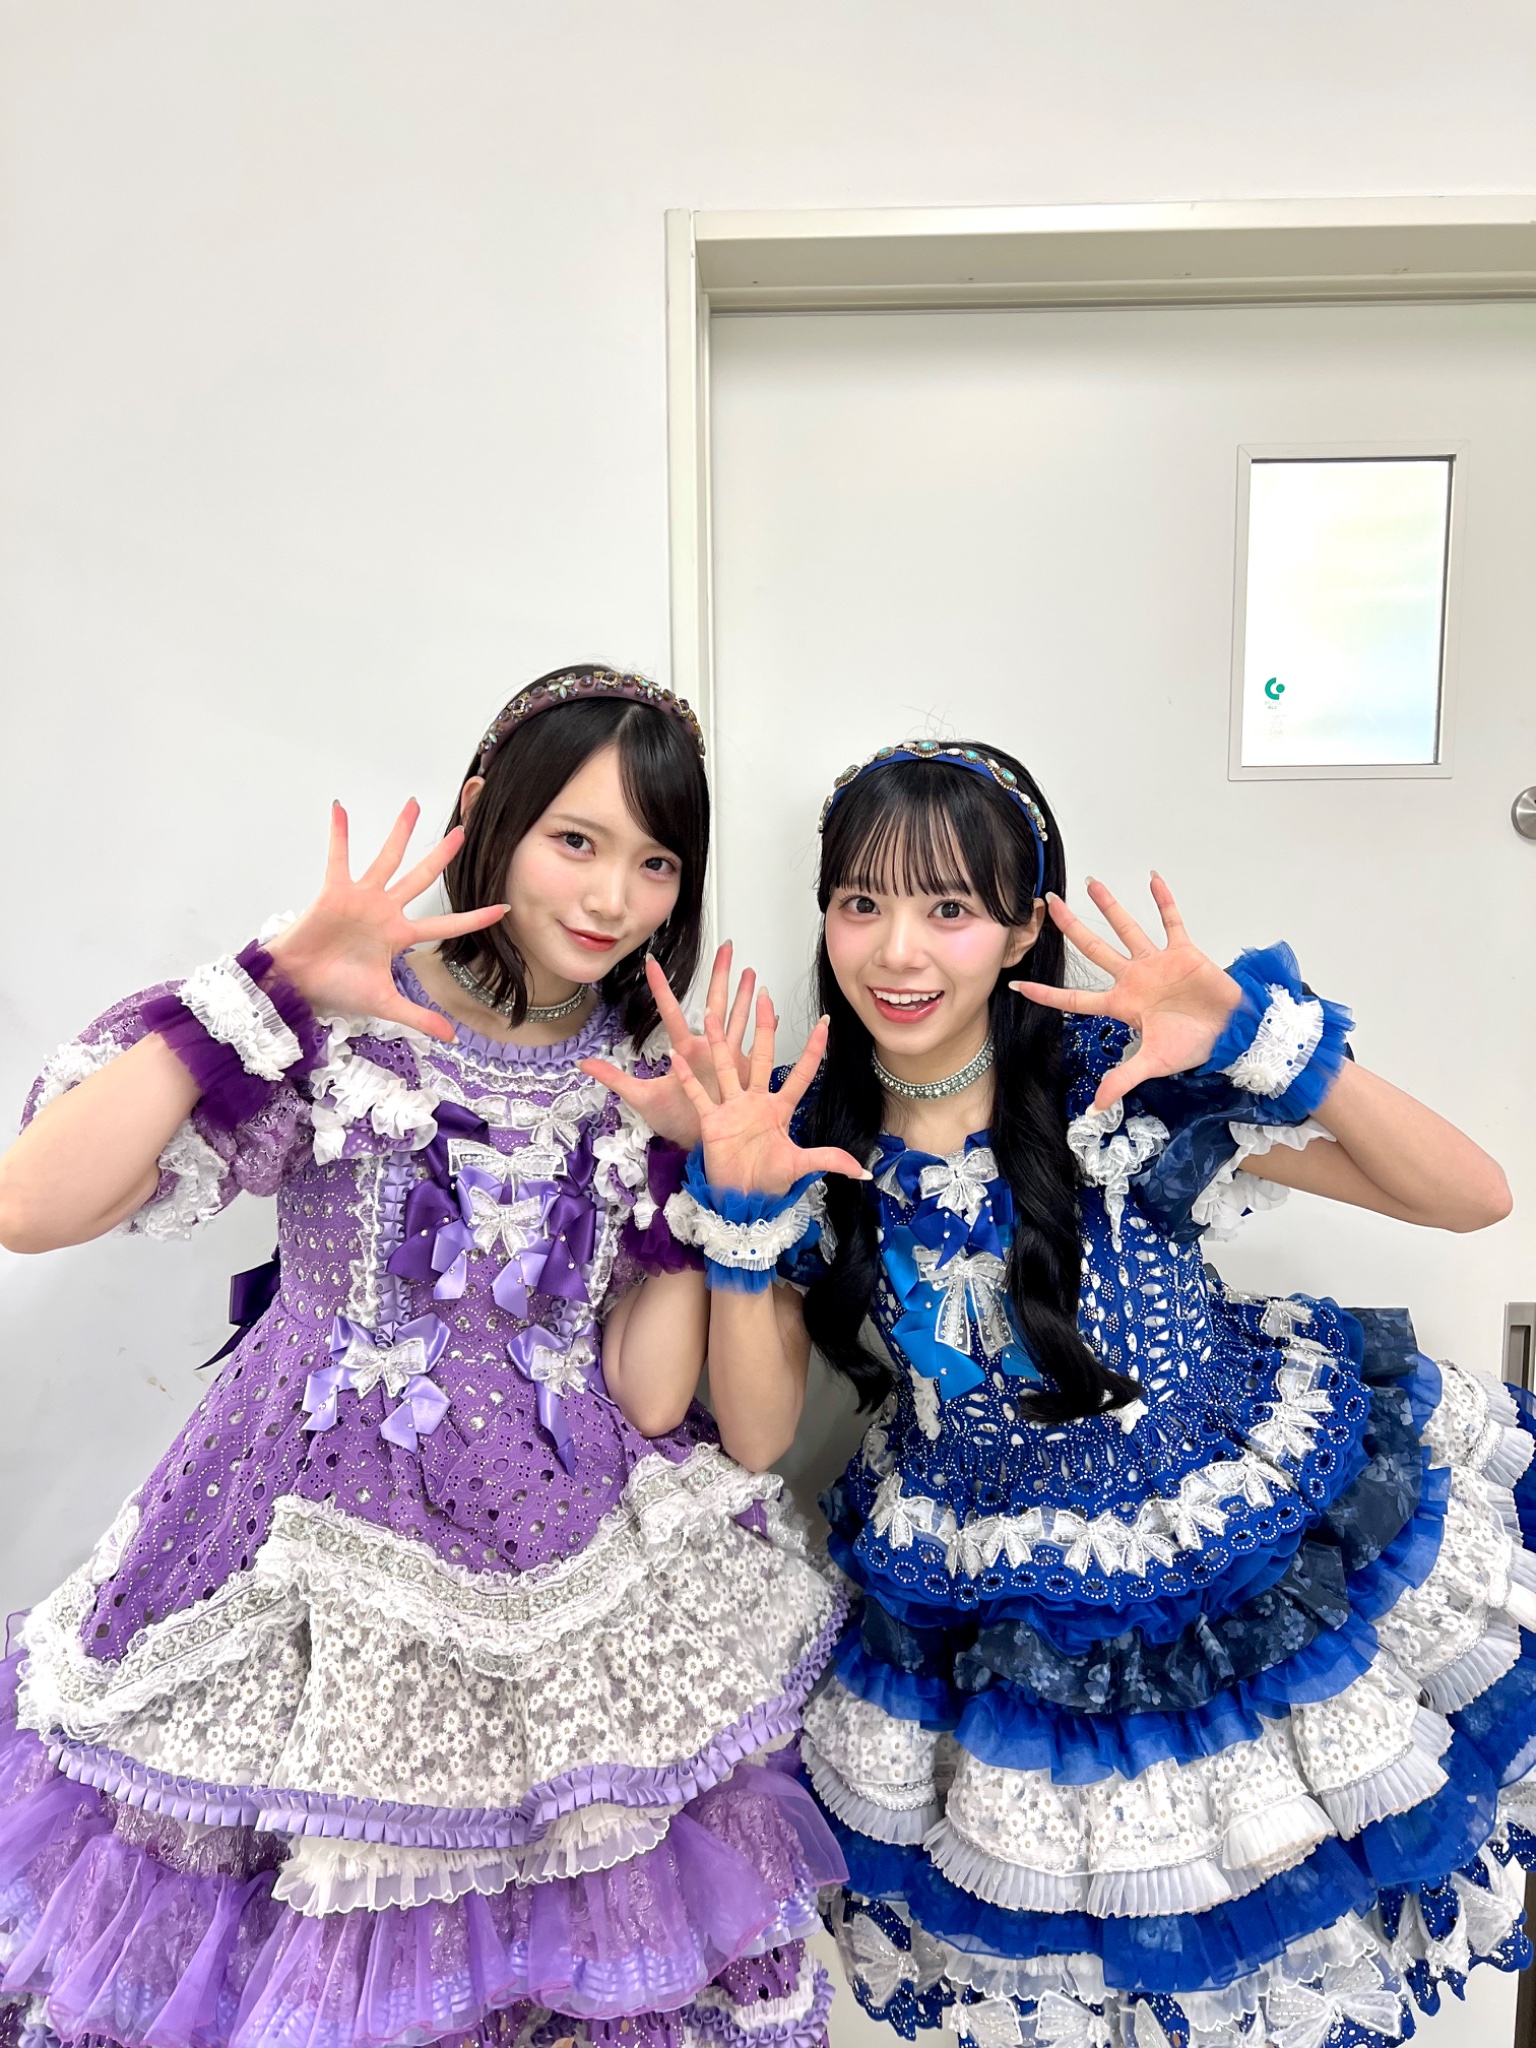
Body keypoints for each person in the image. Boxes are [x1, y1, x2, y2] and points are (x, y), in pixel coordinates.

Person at [639, 738, 1536, 2048]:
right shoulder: (807, 1129)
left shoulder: (1117, 1079)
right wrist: (733, 1208)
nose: (897, 950)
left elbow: (1471, 1197)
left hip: (1225, 1547)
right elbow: (762, 1436)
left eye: (950, 907)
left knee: (1252, 1920)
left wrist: (1258, 1042)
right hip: (982, 1599)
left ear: (1022, 930)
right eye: (861, 902)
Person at [0, 667, 847, 2048]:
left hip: (565, 1552)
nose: (613, 896)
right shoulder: (348, 1016)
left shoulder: (636, 1072)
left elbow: (647, 1396)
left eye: (654, 863)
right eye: (575, 840)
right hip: (301, 1533)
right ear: (490, 817)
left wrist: (697, 1184)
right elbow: (32, 1205)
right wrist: (271, 987)